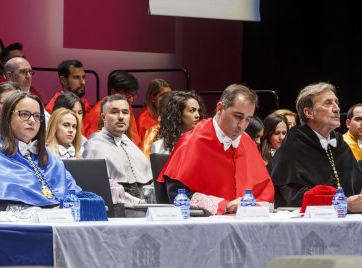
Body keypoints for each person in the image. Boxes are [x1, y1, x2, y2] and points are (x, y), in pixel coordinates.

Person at [0, 90, 82, 216]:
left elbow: (76, 194)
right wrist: (42, 213)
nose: (32, 121)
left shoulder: (48, 156)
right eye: (24, 114)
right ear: (8, 116)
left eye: (37, 116)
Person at [159, 85, 275, 215]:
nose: (241, 125)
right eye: (238, 116)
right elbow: (177, 193)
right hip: (203, 225)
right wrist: (226, 205)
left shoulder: (247, 142)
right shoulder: (193, 140)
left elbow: (265, 195)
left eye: (248, 119)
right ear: (220, 108)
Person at [268, 82, 362, 212]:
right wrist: (342, 203)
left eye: (336, 102)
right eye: (328, 103)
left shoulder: (339, 142)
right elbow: (291, 196)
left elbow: (358, 184)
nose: (337, 108)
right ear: (309, 112)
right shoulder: (294, 144)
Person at [81, 94, 155, 204]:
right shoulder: (94, 146)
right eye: (114, 112)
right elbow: (98, 188)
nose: (121, 117)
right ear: (103, 117)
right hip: (117, 208)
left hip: (144, 207)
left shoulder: (130, 144)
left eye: (125, 112)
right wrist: (137, 202)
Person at [81, 70, 141, 145]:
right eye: (127, 94)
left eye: (134, 95)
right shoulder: (97, 113)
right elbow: (92, 144)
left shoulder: (127, 107)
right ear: (113, 92)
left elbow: (135, 141)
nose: (131, 99)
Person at [143, 90, 203, 154]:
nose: (198, 115)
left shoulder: (203, 143)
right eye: (192, 110)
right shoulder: (158, 146)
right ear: (178, 113)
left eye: (198, 111)